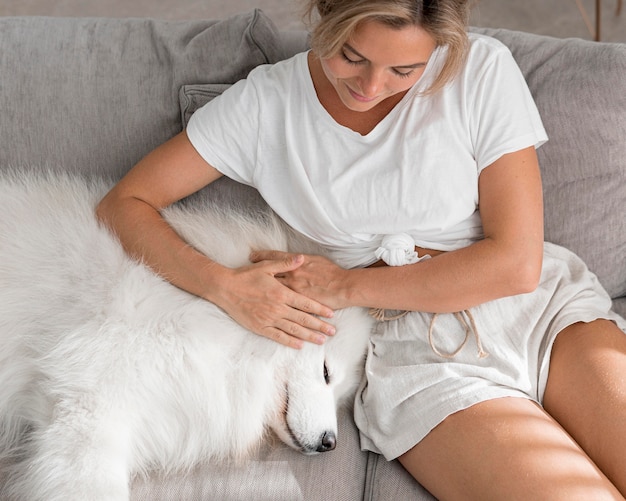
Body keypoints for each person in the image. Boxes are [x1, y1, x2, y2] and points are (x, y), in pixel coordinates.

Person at [96, 0, 626, 498]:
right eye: (352, 56)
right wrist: (223, 286)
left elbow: (516, 264)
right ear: (323, 15)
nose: (372, 86)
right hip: (415, 359)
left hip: (543, 315)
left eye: (405, 70)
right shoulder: (266, 104)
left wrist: (345, 284)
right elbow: (124, 202)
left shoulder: (480, 70)